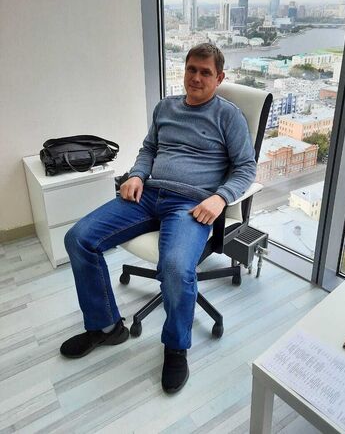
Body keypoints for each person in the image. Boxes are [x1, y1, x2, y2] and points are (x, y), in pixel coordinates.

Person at [60, 43, 256, 393]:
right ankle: (106, 328)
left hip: (191, 205)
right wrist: (136, 174)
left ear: (219, 78)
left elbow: (245, 168)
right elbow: (149, 149)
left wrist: (220, 198)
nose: (196, 78)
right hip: (148, 195)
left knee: (176, 268)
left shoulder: (229, 116)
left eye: (206, 72)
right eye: (191, 69)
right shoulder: (165, 107)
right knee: (78, 239)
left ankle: (176, 347)